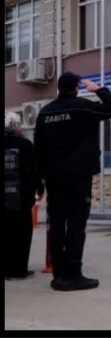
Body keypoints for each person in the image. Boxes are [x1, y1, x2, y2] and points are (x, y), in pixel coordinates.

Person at [35, 72, 111, 291]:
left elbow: (39, 149)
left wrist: (40, 181)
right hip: (78, 176)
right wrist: (99, 90)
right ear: (75, 88)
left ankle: (59, 274)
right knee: (76, 224)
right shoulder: (83, 107)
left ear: (58, 88)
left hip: (53, 178)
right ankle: (72, 275)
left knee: (56, 225)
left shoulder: (45, 113)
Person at [5, 111, 42, 280]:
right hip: (21, 197)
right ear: (14, 127)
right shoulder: (25, 145)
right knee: (22, 234)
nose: (21, 126)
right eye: (19, 124)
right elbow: (33, 170)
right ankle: (19, 269)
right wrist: (39, 188)